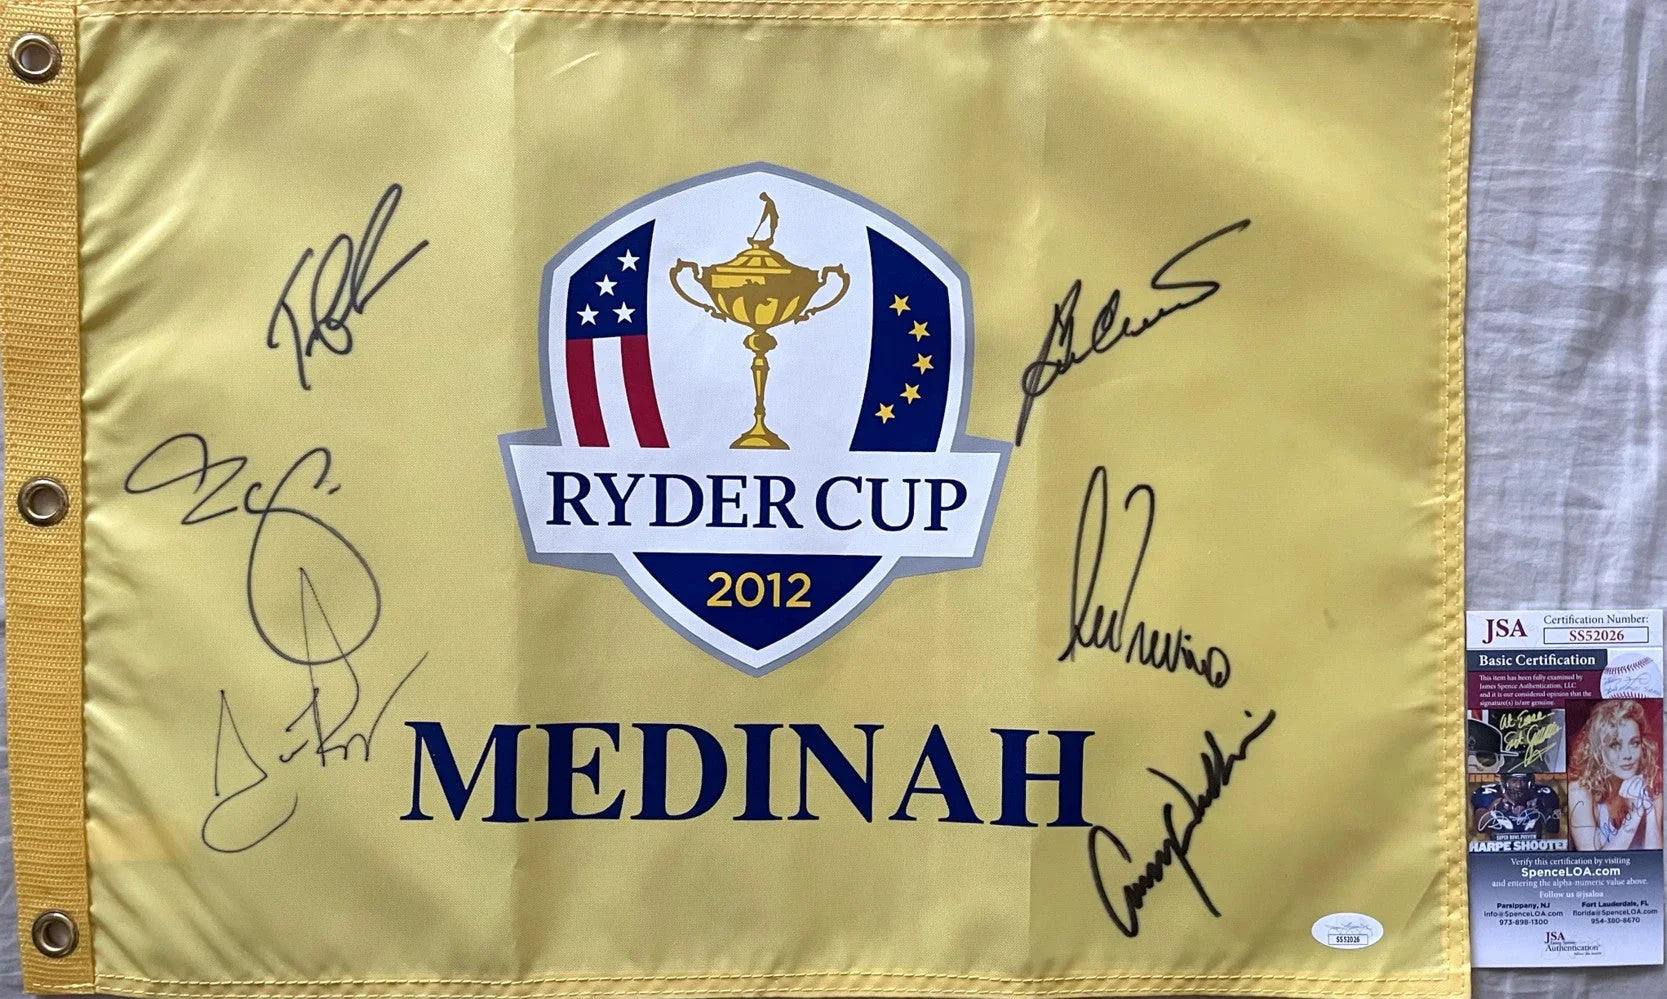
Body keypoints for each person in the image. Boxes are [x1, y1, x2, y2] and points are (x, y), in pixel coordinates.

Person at [1568, 700, 1663, 851]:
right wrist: (1635, 815)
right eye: (1615, 745)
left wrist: (1648, 809)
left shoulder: (1652, 783)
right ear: (1598, 750)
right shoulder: (1579, 791)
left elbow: (1655, 859)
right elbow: (1593, 862)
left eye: (1634, 743)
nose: (1627, 755)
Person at [1472, 770, 1561, 839]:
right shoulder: (1488, 794)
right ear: (1505, 783)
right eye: (1514, 781)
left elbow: (1553, 830)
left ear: (1530, 783)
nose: (1518, 786)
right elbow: (1480, 827)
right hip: (1496, 849)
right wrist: (1493, 809)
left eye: (1523, 781)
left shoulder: (1543, 794)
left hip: (1534, 849)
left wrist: (1542, 810)